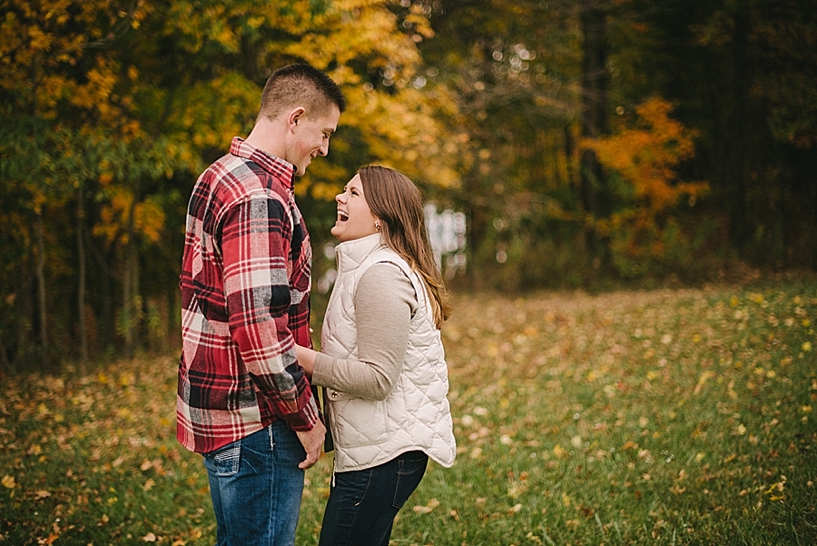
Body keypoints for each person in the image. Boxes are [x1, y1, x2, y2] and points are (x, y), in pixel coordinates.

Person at [176, 63, 346, 546]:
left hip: (223, 413)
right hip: (258, 422)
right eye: (324, 132)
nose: (325, 148)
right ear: (295, 119)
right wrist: (307, 422)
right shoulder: (258, 195)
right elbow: (258, 332)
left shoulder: (221, 174)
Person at [296, 165, 457, 546]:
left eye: (353, 194)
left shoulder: (381, 275)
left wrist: (298, 357)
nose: (340, 196)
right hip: (378, 447)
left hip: (386, 456)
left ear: (381, 218)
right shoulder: (364, 268)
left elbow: (377, 378)